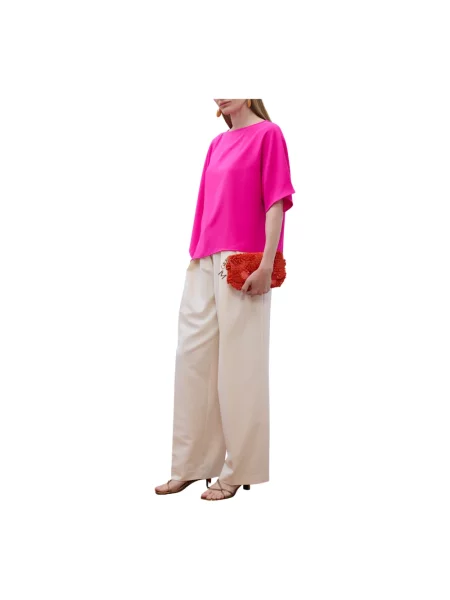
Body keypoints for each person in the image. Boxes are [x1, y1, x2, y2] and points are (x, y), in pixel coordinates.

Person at [155, 99, 295, 501]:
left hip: (243, 258)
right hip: (205, 257)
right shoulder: (217, 144)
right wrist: (196, 256)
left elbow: (277, 201)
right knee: (193, 359)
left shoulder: (269, 135)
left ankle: (241, 470)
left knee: (241, 365)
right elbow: (205, 204)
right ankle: (192, 464)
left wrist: (267, 263)